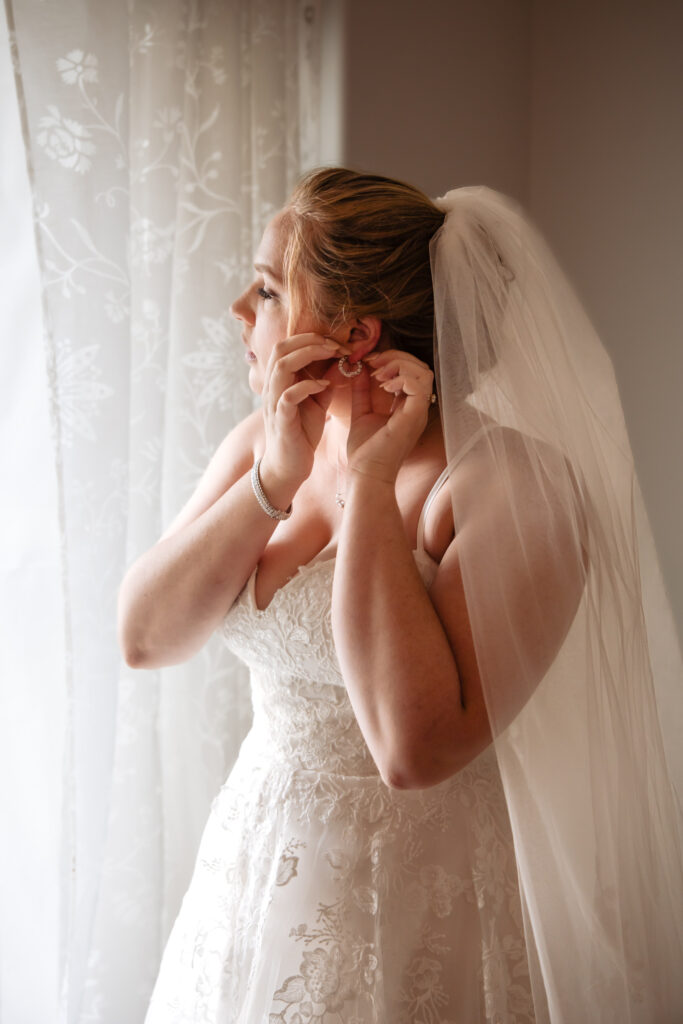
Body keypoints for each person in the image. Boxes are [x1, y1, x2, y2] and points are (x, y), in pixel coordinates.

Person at [118, 168, 683, 1023]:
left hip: (413, 902)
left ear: (352, 334)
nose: (240, 308)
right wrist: (273, 479)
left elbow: (414, 752)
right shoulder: (262, 447)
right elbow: (145, 638)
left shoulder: (510, 487)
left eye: (269, 288)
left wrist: (375, 482)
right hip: (255, 864)